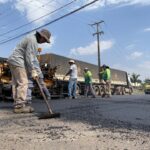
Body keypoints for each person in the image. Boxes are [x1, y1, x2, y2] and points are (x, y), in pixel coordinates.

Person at [8, 29, 51, 113]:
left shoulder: (31, 38)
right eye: (45, 40)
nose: (44, 42)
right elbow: (29, 57)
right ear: (42, 37)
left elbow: (30, 57)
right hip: (18, 61)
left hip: (13, 60)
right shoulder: (33, 41)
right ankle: (19, 106)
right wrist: (33, 71)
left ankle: (17, 104)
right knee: (23, 82)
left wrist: (33, 70)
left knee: (16, 83)